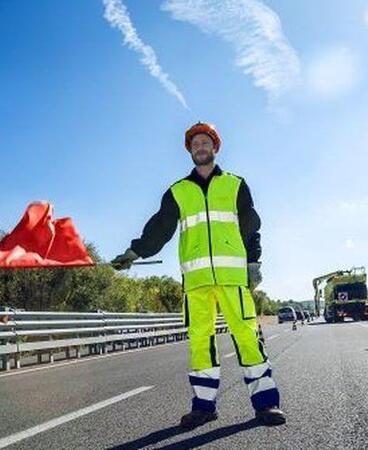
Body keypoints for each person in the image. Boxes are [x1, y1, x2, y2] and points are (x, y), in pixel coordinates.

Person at [111, 122, 286, 428]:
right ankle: (204, 407)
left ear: (215, 147)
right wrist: (134, 253)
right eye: (195, 144)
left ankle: (266, 405)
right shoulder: (178, 192)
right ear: (190, 151)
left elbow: (250, 227)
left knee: (247, 337)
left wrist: (253, 263)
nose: (200, 147)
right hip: (196, 283)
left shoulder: (235, 185)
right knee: (200, 343)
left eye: (205, 142)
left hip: (233, 280)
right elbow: (159, 229)